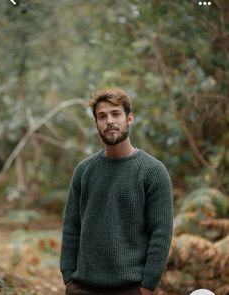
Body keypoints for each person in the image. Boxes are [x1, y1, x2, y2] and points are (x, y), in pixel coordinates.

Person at [60, 88, 173, 295]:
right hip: (82, 286)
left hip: (130, 288)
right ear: (96, 124)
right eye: (102, 116)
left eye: (116, 114)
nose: (109, 121)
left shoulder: (153, 172)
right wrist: (68, 278)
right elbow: (71, 227)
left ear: (129, 118)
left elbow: (161, 233)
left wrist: (147, 286)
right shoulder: (84, 171)